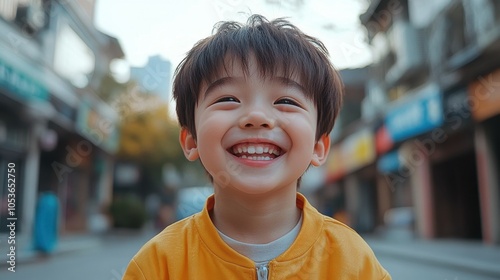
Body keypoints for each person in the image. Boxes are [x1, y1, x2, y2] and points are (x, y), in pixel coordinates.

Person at [122, 14, 391, 280]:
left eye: (286, 100)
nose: (257, 117)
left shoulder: (353, 262)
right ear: (191, 140)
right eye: (228, 98)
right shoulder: (158, 265)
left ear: (318, 146)